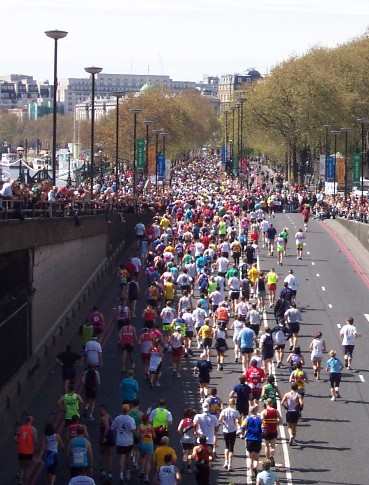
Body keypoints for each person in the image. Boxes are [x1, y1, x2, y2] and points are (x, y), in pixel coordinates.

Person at [110, 404, 137, 482]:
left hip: (120, 441)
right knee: (128, 456)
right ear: (128, 410)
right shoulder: (131, 419)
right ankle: (128, 473)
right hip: (128, 440)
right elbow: (133, 430)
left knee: (122, 457)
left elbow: (112, 427)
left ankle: (121, 474)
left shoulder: (117, 418)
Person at [239, 404, 263, 480]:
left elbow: (242, 428)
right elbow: (263, 429)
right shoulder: (260, 420)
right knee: (256, 457)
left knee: (250, 457)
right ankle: (255, 467)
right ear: (256, 411)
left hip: (249, 439)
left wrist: (241, 434)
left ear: (250, 411)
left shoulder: (247, 419)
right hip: (258, 439)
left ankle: (250, 473)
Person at [14, 415, 38, 485]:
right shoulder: (33, 429)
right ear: (31, 421)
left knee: (21, 467)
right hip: (29, 452)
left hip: (21, 451)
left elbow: (15, 439)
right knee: (27, 468)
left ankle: (20, 481)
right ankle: (25, 483)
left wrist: (21, 442)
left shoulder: (20, 428)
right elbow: (36, 442)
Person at [219, 398, 240, 472]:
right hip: (232, 430)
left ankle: (226, 461)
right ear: (234, 404)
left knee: (226, 446)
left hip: (225, 430)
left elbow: (220, 419)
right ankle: (230, 465)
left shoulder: (224, 411)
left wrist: (224, 422)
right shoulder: (236, 412)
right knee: (231, 448)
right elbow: (238, 420)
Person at [260, 399, 282, 466]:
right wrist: (276, 423)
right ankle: (271, 456)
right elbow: (281, 420)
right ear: (272, 403)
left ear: (266, 404)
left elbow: (261, 421)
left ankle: (267, 459)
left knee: (266, 446)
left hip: (266, 431)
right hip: (273, 431)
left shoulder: (264, 412)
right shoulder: (276, 411)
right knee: (273, 447)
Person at [136, 413, 155, 482]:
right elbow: (154, 436)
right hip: (149, 445)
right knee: (148, 461)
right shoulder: (151, 427)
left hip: (142, 444)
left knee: (142, 458)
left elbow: (137, 436)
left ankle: (142, 470)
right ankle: (147, 476)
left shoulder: (139, 426)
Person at [98, 405, 115, 480]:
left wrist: (104, 437)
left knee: (102, 453)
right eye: (99, 410)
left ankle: (102, 471)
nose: (100, 412)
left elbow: (107, 427)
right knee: (110, 455)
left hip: (105, 437)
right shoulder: (109, 416)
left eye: (101, 410)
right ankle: (110, 473)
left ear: (105, 410)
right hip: (111, 437)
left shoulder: (103, 418)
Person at [177, 408, 196, 474]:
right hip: (191, 440)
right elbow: (195, 432)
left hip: (184, 439)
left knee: (185, 453)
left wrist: (182, 434)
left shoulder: (183, 421)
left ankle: (183, 465)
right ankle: (188, 468)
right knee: (190, 454)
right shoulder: (193, 422)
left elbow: (179, 429)